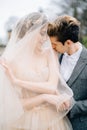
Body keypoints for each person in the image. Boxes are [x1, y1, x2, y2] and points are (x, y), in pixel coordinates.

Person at [0, 12, 73, 130]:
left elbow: (51, 87)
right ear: (29, 33)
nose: (46, 39)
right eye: (43, 34)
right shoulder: (10, 62)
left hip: (52, 120)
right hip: (24, 122)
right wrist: (43, 97)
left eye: (47, 34)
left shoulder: (50, 53)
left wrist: (17, 81)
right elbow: (12, 105)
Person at [47, 15, 87, 130]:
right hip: (55, 124)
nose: (52, 47)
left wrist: (72, 106)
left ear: (68, 43)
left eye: (55, 44)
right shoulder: (56, 57)